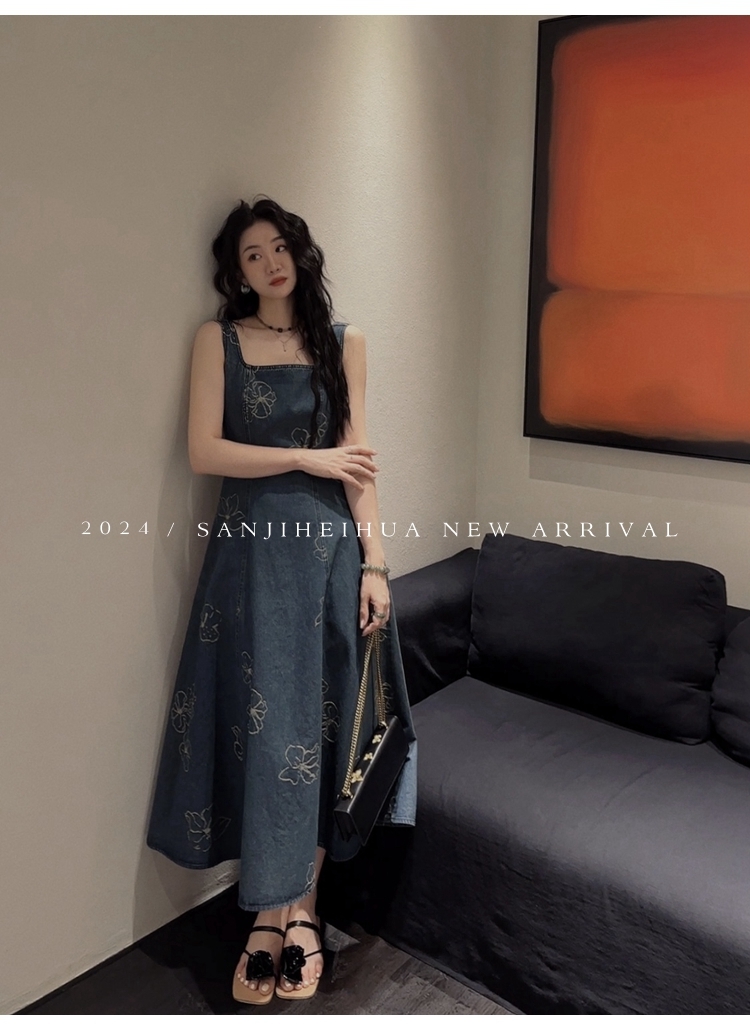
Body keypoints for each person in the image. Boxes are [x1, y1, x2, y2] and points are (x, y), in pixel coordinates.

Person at [146, 196, 417, 1005]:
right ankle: (269, 910)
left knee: (323, 728)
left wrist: (377, 564)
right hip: (251, 559)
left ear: (301, 251)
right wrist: (310, 460)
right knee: (266, 730)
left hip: (331, 557)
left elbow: (359, 463)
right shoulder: (219, 340)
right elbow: (205, 451)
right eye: (252, 255)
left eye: (279, 247)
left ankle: (302, 909)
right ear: (236, 272)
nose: (270, 263)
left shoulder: (343, 341)